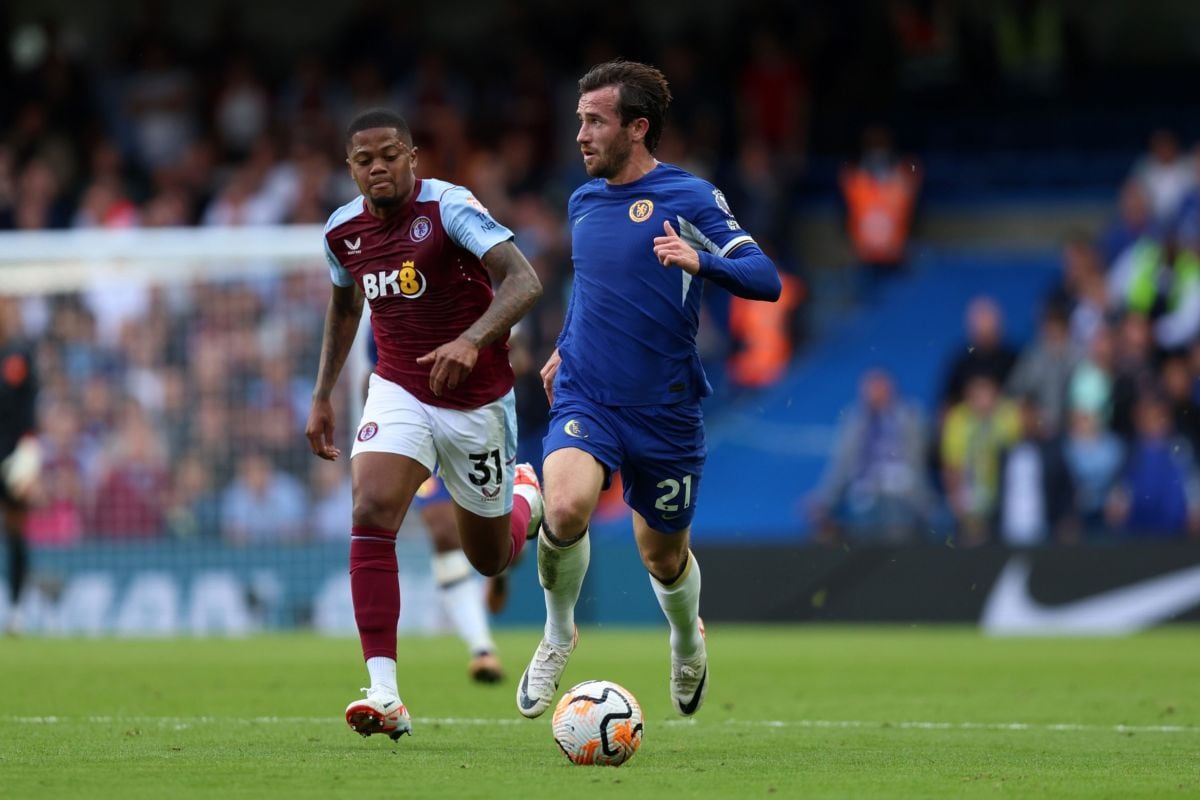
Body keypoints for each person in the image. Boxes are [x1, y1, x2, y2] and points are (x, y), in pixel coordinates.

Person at [515, 61, 781, 721]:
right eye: (579, 120)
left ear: (637, 128)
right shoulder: (581, 201)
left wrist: (704, 261)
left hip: (664, 408)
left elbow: (764, 276)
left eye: (594, 121)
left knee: (661, 556)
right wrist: (564, 345)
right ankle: (557, 633)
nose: (580, 134)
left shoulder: (689, 198)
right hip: (588, 394)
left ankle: (688, 640)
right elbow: (592, 287)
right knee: (566, 507)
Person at [305, 109, 545, 741]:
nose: (378, 167)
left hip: (478, 402)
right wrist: (323, 393)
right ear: (350, 166)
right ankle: (383, 692)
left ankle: (526, 495)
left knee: (489, 559)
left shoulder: (449, 208)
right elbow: (345, 305)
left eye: (390, 155)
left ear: (412, 156)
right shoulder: (342, 232)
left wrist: (470, 341)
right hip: (399, 387)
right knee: (372, 506)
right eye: (364, 159)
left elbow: (524, 281)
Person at [413, 474, 509, 684]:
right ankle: (482, 650)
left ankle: (500, 560)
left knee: (499, 531)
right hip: (431, 449)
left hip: (483, 445)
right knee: (443, 532)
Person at [0, 296, 41, 635]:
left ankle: (16, 611)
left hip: (14, 457)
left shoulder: (20, 355)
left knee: (16, 531)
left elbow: (31, 411)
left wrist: (30, 458)